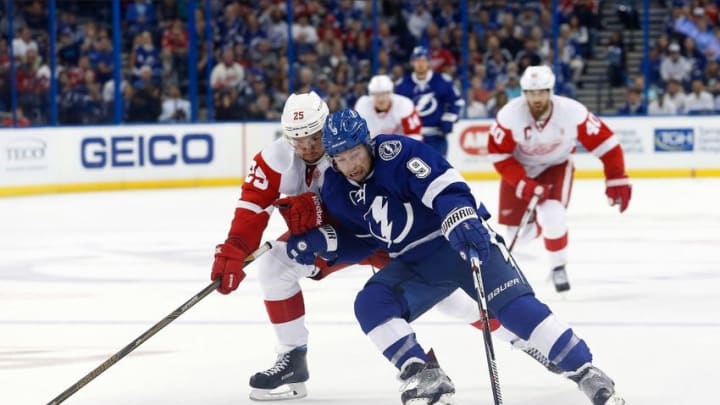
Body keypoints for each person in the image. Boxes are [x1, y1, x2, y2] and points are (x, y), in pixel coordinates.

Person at [210, 92, 560, 402]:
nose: (307, 148)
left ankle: (521, 339)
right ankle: (292, 357)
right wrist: (235, 250)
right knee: (274, 266)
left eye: (314, 137)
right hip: (339, 239)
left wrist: (313, 210)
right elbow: (252, 207)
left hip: (386, 234)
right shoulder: (274, 160)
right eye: (297, 140)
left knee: (452, 300)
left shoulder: (348, 146)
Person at [285, 108, 625, 405]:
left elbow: (443, 186)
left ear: (367, 143)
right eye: (340, 158)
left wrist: (460, 214)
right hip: (413, 263)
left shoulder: (397, 153)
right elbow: (365, 241)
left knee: (516, 309)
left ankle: (585, 371)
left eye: (355, 154)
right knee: (371, 304)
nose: (350, 165)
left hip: (456, 241)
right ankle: (422, 372)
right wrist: (325, 242)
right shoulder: (336, 188)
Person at [487, 65, 631, 292]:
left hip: (556, 165)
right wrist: (522, 182)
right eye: (532, 93)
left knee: (553, 215)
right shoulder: (509, 116)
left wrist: (616, 178)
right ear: (524, 93)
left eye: (542, 92)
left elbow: (607, 144)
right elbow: (499, 155)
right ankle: (536, 225)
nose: (537, 98)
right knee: (517, 236)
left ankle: (558, 266)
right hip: (520, 169)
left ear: (551, 90)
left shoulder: (572, 112)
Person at [395, 46, 464, 158]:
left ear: (428, 62)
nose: (420, 64)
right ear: (412, 63)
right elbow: (395, 109)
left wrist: (449, 118)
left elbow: (457, 102)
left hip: (436, 136)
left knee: (438, 172)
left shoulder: (442, 81)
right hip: (411, 137)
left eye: (423, 60)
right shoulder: (402, 85)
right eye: (417, 61)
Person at [354, 74, 422, 140]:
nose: (380, 99)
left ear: (390, 93)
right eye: (376, 94)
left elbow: (415, 135)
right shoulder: (362, 106)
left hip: (401, 147)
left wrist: (408, 150)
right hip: (373, 147)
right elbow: (355, 136)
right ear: (371, 95)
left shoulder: (404, 105)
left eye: (384, 94)